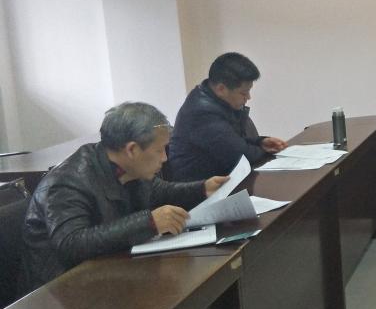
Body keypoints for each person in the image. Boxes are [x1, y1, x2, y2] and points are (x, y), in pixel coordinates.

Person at [19, 102, 228, 293]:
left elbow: (159, 191)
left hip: (107, 271)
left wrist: (202, 188)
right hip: (63, 293)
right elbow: (71, 244)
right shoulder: (67, 182)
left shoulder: (127, 166)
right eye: (159, 150)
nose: (165, 158)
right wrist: (149, 222)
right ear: (132, 149)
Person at [167, 52, 287, 181]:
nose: (248, 97)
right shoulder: (202, 112)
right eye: (244, 92)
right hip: (200, 189)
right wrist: (264, 150)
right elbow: (241, 156)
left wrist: (260, 142)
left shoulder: (216, 100)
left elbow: (232, 140)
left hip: (221, 178)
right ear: (221, 89)